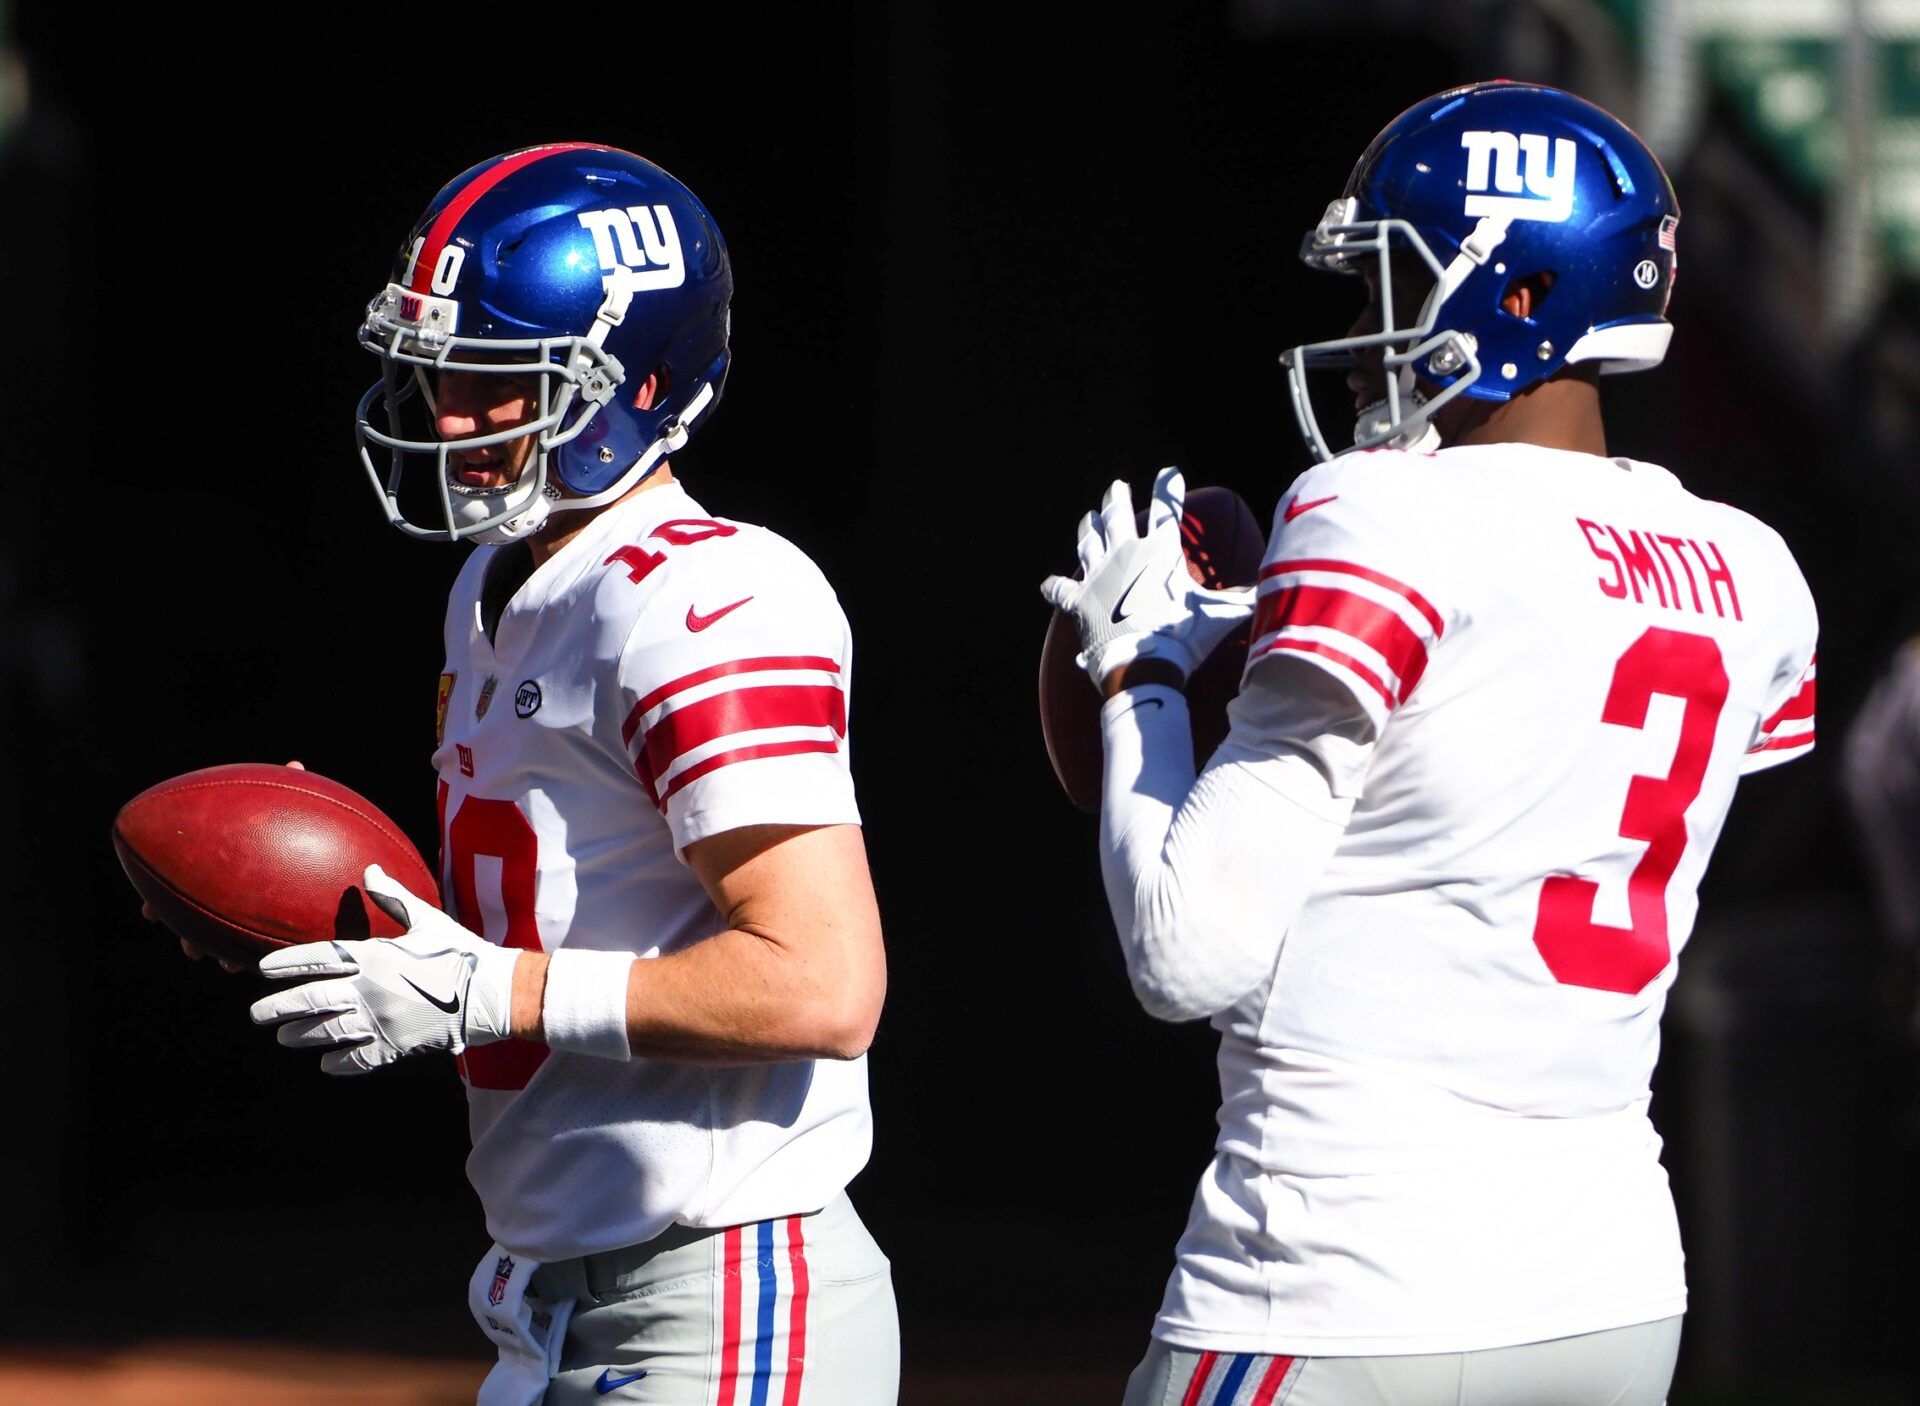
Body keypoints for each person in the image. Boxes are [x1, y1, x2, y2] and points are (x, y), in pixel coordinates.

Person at [1042, 83, 1817, 1406]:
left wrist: (1140, 678)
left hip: (1344, 1270)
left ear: (1515, 296)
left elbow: (1187, 949)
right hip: (1612, 1286)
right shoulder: (1754, 573)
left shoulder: (1379, 510)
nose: (1360, 336)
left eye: (1386, 288)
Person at [243, 144, 898, 1406]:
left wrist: (499, 990)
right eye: (438, 370)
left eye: (496, 381)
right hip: (544, 1301)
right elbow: (564, 901)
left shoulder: (712, 594)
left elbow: (823, 983)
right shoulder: (493, 587)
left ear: (637, 385)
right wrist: (304, 908)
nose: (444, 414)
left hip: (717, 1295)